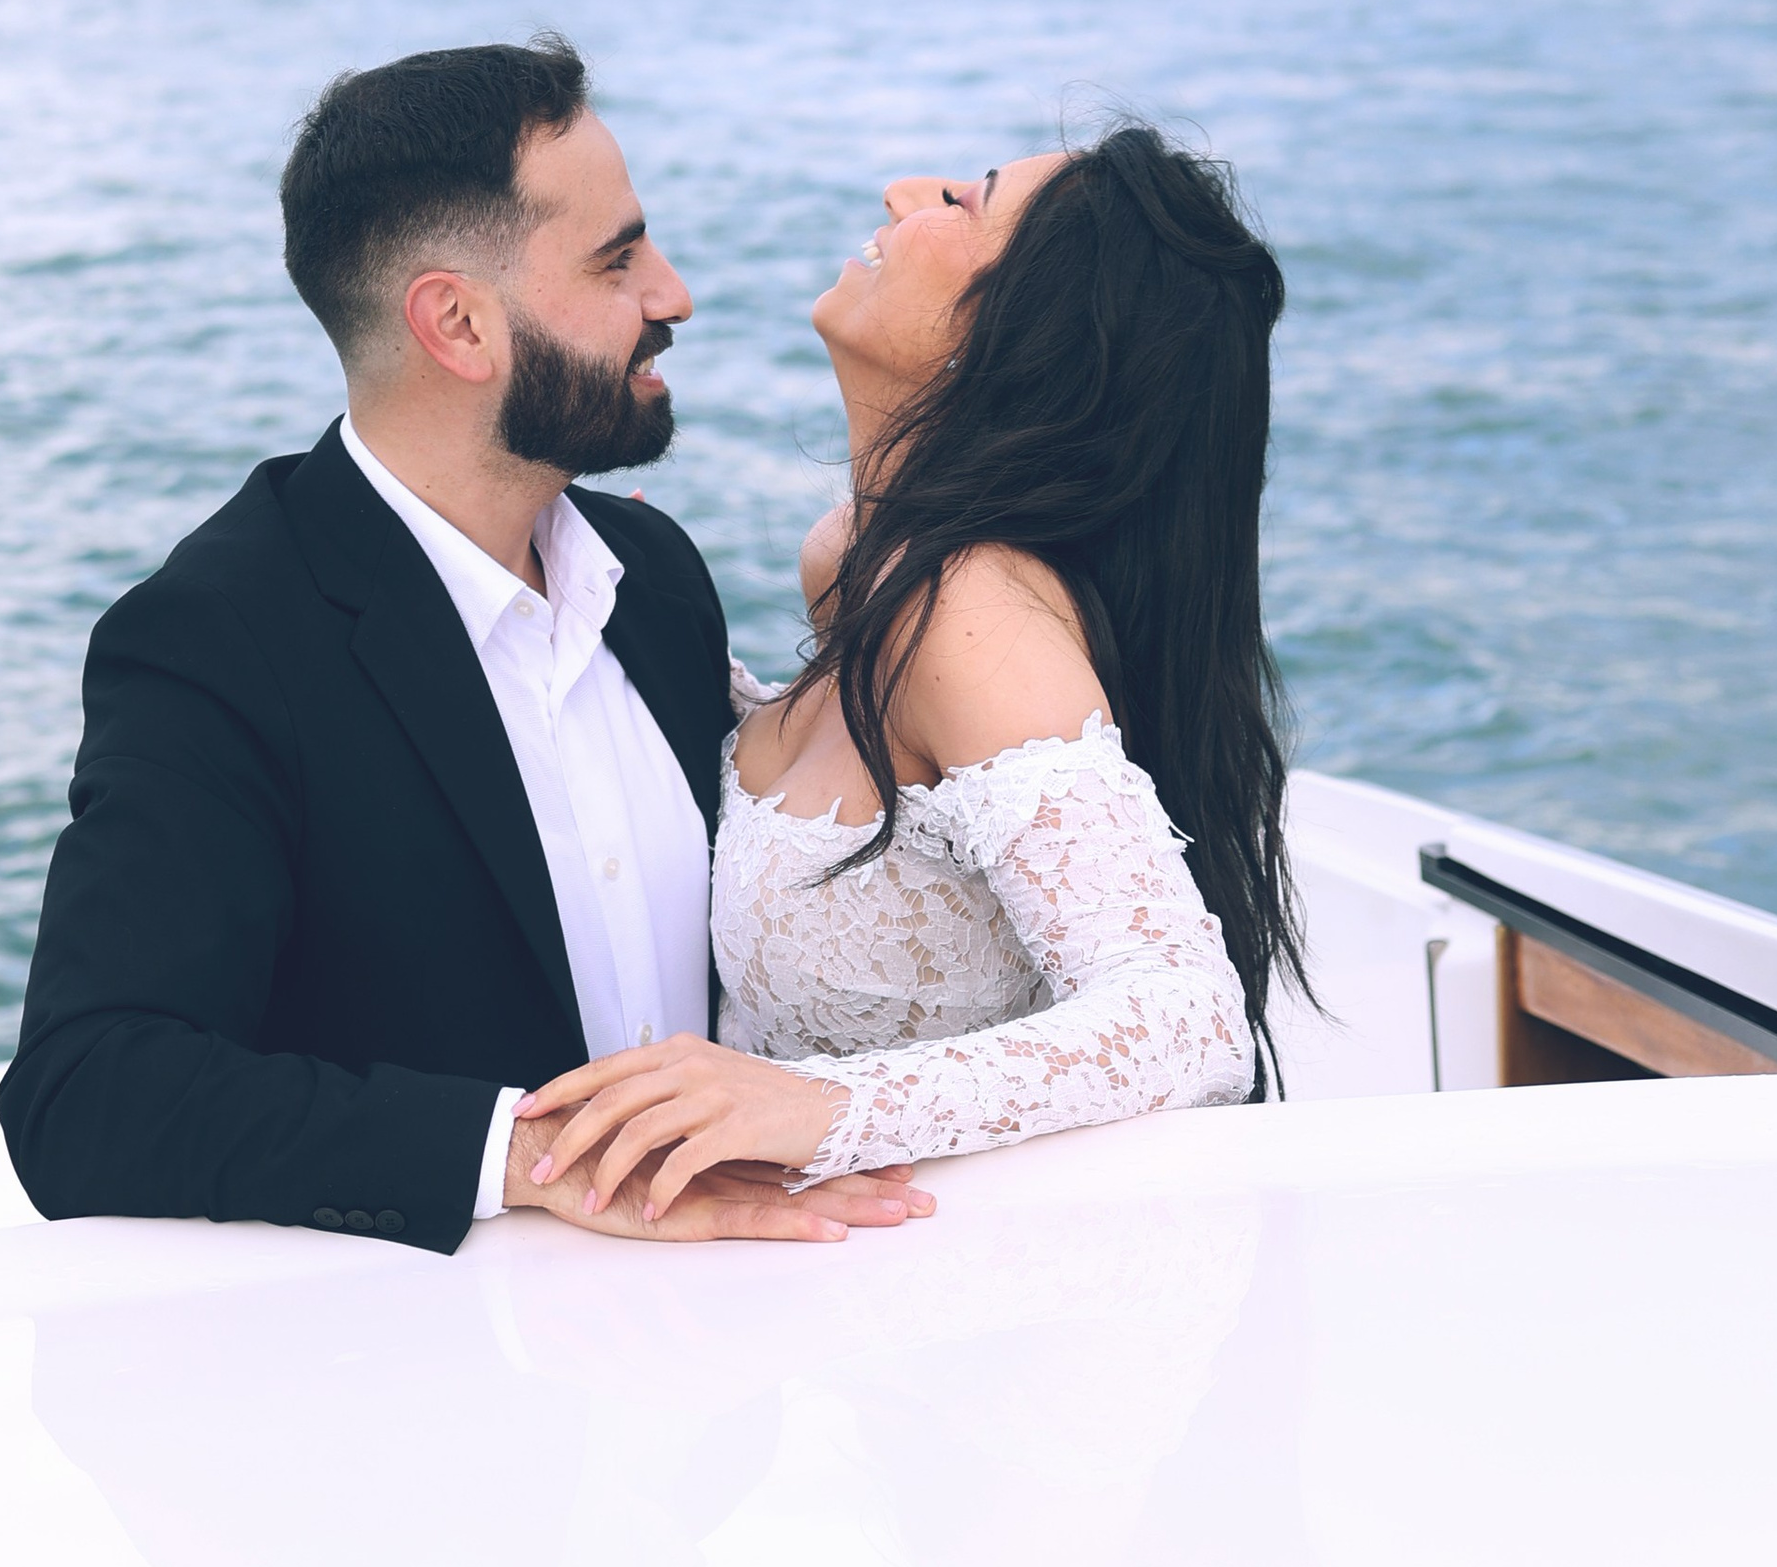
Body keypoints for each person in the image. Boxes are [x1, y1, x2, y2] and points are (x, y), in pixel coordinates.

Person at [0, 37, 931, 1257]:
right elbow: (88, 1089)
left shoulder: (655, 580)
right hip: (432, 1381)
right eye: (617, 259)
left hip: (722, 1353)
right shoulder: (215, 638)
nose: (674, 294)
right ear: (457, 324)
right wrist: (535, 1159)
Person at [516, 129, 1305, 1219]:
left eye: (963, 200)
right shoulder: (851, 562)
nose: (899, 191)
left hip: (976, 1288)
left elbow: (1189, 1020)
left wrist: (816, 1109)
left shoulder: (962, 603)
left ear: (1029, 333)